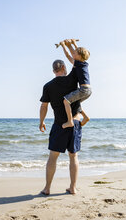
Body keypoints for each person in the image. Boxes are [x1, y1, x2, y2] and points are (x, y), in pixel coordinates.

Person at [39, 59, 85, 195]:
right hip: (75, 122)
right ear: (64, 67)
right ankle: (73, 187)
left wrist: (41, 122)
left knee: (53, 157)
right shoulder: (72, 79)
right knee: (73, 156)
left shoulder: (48, 86)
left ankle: (47, 188)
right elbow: (77, 65)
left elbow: (44, 106)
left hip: (59, 124)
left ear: (53, 71)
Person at [59, 39, 92, 129]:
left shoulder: (77, 63)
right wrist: (72, 44)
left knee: (66, 101)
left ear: (79, 56)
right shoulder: (83, 63)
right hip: (88, 90)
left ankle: (70, 121)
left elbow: (68, 55)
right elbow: (78, 52)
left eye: (75, 54)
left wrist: (63, 45)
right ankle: (85, 117)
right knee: (75, 102)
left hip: (83, 90)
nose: (74, 54)